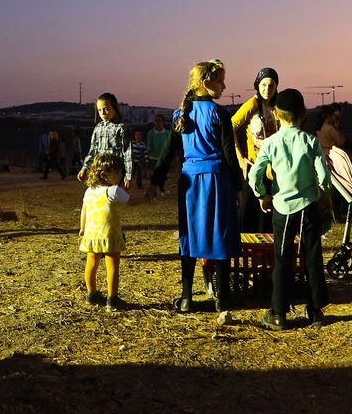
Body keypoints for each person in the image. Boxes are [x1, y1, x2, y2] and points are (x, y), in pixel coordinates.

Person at [150, 59, 241, 317]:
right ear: (206, 83)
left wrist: (156, 182)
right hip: (216, 180)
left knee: (189, 235)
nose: (225, 86)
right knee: (219, 234)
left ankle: (187, 297)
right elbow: (228, 154)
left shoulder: (181, 114)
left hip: (189, 182)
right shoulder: (220, 114)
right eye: (221, 81)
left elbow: (167, 152)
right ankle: (223, 299)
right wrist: (238, 186)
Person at [247, 88, 331, 331]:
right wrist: (323, 193)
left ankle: (278, 313)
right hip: (308, 206)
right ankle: (315, 310)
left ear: (276, 114)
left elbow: (256, 173)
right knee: (312, 257)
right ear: (303, 114)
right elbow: (324, 175)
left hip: (282, 208)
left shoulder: (271, 142)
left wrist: (263, 195)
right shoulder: (310, 140)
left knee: (283, 259)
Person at [78, 151, 144, 311]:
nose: (120, 174)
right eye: (116, 172)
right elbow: (132, 202)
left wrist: (82, 230)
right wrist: (148, 197)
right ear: (104, 174)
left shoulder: (89, 191)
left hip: (92, 234)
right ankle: (112, 298)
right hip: (110, 234)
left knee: (91, 264)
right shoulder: (113, 191)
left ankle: (91, 294)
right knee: (112, 266)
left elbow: (84, 211)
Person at [231, 67, 279, 228]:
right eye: (263, 85)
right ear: (257, 85)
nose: (267, 89)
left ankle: (269, 250)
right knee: (250, 213)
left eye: (271, 85)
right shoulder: (252, 104)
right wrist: (240, 158)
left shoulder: (277, 107)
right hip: (254, 165)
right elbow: (230, 126)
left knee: (269, 213)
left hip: (273, 167)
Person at [78, 93, 134, 190]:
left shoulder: (121, 128)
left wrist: (128, 176)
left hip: (115, 172)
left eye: (106, 109)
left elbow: (128, 153)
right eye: (99, 110)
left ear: (114, 108)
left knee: (112, 198)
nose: (102, 112)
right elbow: (93, 151)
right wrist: (84, 168)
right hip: (99, 171)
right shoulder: (97, 128)